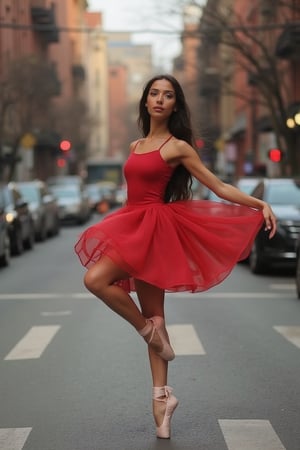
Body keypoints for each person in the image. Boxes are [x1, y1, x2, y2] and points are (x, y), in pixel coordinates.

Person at [75, 74, 276, 439]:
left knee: (155, 315)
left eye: (168, 95)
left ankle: (162, 402)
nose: (159, 100)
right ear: (146, 100)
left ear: (174, 105)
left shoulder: (178, 146)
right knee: (97, 281)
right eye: (154, 93)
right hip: (132, 225)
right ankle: (148, 332)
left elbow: (218, 186)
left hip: (156, 231)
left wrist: (259, 203)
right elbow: (131, 193)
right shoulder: (136, 145)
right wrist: (119, 225)